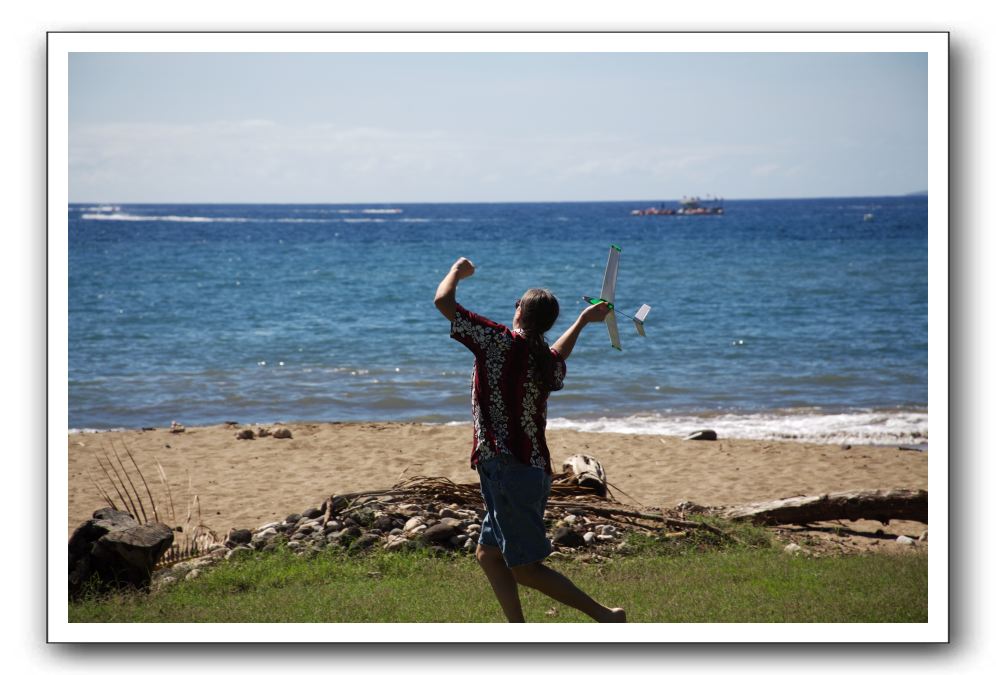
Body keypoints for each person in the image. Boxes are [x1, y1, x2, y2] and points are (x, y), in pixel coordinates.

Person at [434, 256, 627, 623]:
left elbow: (443, 303)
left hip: (509, 470)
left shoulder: (498, 341)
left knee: (524, 568)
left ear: (519, 312)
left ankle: (606, 616)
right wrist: (583, 321)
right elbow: (558, 354)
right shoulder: (543, 359)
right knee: (488, 555)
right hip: (530, 471)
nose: (513, 309)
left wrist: (457, 271)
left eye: (517, 304)